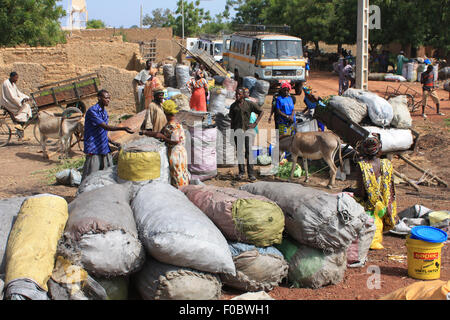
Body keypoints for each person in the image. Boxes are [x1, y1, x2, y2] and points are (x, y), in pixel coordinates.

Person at [352, 135, 398, 250]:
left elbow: (361, 193)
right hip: (384, 207)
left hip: (369, 208)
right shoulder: (386, 164)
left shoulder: (362, 166)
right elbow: (391, 188)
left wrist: (350, 192)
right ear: (379, 148)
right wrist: (389, 206)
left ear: (363, 150)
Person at [81, 89, 134, 182]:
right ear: (99, 98)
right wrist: (123, 128)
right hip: (94, 147)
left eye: (109, 98)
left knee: (106, 173)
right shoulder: (93, 111)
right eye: (106, 98)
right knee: (91, 174)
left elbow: (103, 132)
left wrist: (112, 142)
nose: (108, 100)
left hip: (103, 147)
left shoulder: (104, 112)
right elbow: (105, 127)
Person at [141, 100, 190, 188]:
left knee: (177, 175)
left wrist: (164, 138)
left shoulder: (172, 125)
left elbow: (175, 141)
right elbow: (158, 133)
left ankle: (180, 194)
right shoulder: (174, 123)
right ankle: (184, 192)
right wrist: (145, 132)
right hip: (182, 152)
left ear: (165, 112)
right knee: (182, 173)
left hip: (176, 153)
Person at [229, 88, 264, 181]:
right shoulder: (233, 106)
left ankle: (251, 174)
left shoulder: (249, 104)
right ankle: (241, 172)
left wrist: (255, 123)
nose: (237, 96)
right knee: (240, 153)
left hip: (248, 131)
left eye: (239, 94)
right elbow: (231, 121)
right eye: (236, 94)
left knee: (249, 153)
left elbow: (261, 112)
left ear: (243, 95)